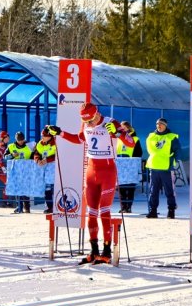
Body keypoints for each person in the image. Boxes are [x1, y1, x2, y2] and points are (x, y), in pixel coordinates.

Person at [48, 102, 134, 264]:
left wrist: (118, 134)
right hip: (91, 171)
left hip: (107, 171)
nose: (90, 124)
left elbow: (131, 143)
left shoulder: (111, 122)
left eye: (92, 120)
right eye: (86, 121)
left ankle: (106, 251)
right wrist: (60, 133)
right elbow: (79, 138)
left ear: (97, 114)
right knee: (91, 212)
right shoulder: (86, 123)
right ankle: (94, 251)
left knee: (104, 211)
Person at [145, 118, 181, 218]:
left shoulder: (171, 137)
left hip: (166, 167)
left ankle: (171, 210)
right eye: (157, 124)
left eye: (161, 124)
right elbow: (150, 150)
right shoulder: (151, 136)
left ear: (165, 125)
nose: (159, 126)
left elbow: (177, 150)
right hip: (154, 166)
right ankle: (153, 211)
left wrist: (176, 161)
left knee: (169, 190)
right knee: (153, 190)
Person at [116, 121, 143, 213]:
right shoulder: (118, 139)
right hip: (121, 166)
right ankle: (123, 207)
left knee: (130, 187)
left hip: (130, 166)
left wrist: (131, 161)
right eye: (121, 128)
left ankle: (129, 207)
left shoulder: (135, 138)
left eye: (124, 127)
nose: (122, 129)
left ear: (128, 128)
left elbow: (139, 152)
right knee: (121, 188)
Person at [5, 131, 34, 213]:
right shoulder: (11, 146)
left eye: (21, 139)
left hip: (27, 171)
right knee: (18, 189)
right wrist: (12, 156)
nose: (20, 141)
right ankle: (19, 207)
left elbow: (33, 156)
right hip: (16, 171)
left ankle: (27, 207)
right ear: (16, 139)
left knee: (25, 190)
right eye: (19, 140)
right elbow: (5, 157)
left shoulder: (29, 146)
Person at [32, 127, 57, 214]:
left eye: (44, 136)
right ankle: (49, 207)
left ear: (50, 136)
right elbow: (36, 154)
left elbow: (58, 155)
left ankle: (58, 206)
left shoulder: (55, 143)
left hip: (55, 169)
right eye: (42, 135)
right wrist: (38, 160)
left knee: (55, 188)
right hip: (45, 169)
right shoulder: (39, 144)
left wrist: (47, 160)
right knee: (47, 189)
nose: (42, 137)